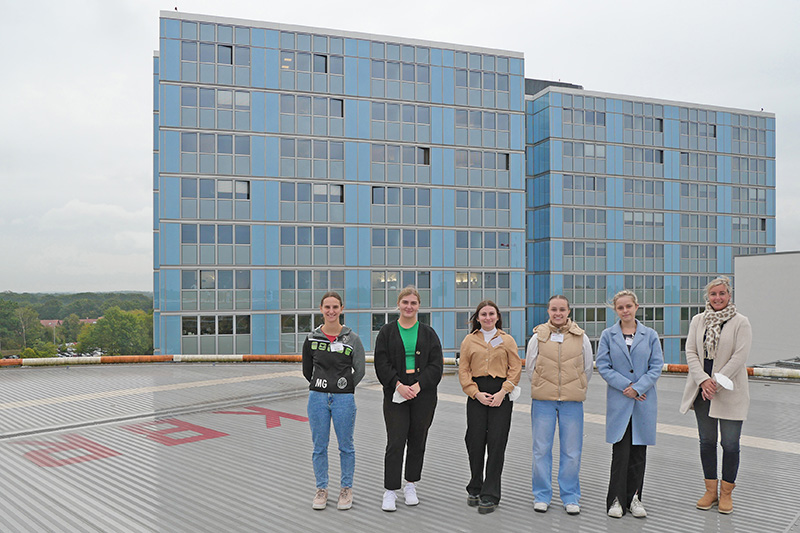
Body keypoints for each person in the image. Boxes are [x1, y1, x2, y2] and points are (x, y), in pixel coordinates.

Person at [679, 276, 751, 514]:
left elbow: (739, 358)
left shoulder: (741, 322)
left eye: (722, 293)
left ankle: (726, 493)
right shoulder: (698, 320)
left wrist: (715, 382)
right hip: (703, 392)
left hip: (729, 391)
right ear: (707, 297)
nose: (717, 298)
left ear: (729, 296)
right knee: (707, 442)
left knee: (730, 444)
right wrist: (703, 381)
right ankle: (710, 491)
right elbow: (690, 351)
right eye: (713, 294)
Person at [374, 286, 444, 512]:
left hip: (423, 393)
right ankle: (390, 490)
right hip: (396, 392)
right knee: (395, 441)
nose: (409, 306)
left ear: (418, 306)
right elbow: (381, 363)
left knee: (417, 439)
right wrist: (398, 385)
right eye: (405, 302)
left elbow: (436, 365)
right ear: (399, 304)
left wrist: (419, 385)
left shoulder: (428, 333)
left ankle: (411, 484)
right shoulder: (387, 332)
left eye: (413, 303)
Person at [596, 290, 663, 519]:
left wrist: (639, 387)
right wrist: (627, 386)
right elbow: (603, 366)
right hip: (620, 400)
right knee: (620, 453)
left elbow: (656, 366)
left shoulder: (650, 335)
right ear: (616, 310)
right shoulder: (608, 335)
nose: (625, 311)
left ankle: (634, 498)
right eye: (620, 307)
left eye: (628, 306)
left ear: (636, 307)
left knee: (638, 454)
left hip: (643, 401)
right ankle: (615, 500)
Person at [525, 295, 593, 515]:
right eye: (554, 309)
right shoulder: (538, 337)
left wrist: (575, 386)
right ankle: (542, 495)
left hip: (572, 402)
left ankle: (570, 496)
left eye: (562, 309)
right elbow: (530, 367)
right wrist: (543, 386)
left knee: (572, 451)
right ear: (548, 311)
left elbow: (587, 368)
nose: (558, 313)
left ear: (568, 311)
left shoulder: (580, 337)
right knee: (541, 450)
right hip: (543, 400)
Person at [302, 292, 365, 511]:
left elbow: (360, 370)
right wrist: (323, 385)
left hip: (343, 399)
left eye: (335, 307)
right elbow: (306, 370)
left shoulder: (352, 338)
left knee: (346, 446)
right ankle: (321, 489)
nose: (331, 311)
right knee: (319, 447)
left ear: (341, 308)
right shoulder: (311, 338)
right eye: (327, 307)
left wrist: (344, 386)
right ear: (321, 309)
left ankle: (346, 489)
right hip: (317, 398)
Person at [458, 300, 522, 514]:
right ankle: (475, 486)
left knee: (496, 443)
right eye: (483, 314)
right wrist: (474, 392)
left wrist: (503, 392)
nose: (487, 317)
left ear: (497, 316)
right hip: (477, 392)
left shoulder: (507, 340)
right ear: (477, 317)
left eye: (491, 314)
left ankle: (490, 493)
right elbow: (464, 369)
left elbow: (515, 368)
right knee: (474, 441)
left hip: (500, 393)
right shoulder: (469, 340)